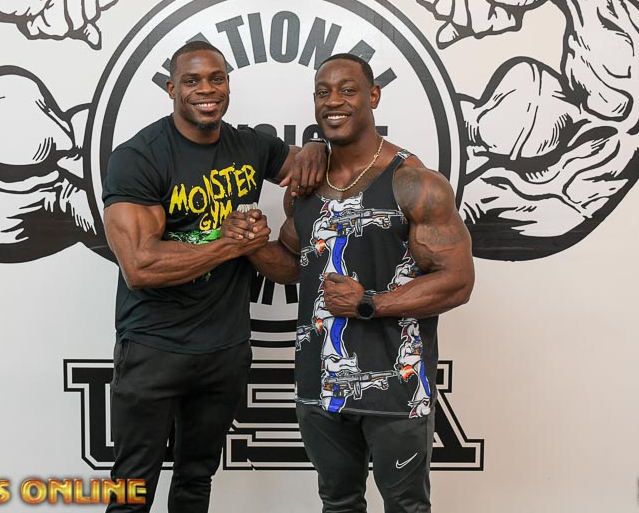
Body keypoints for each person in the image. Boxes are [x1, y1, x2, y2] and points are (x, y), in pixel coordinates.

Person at [225, 53, 475, 512]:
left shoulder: (414, 183)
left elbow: (458, 281)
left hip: (396, 386)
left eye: (347, 90)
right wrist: (251, 243)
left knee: (407, 506)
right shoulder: (306, 185)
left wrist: (369, 303)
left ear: (373, 96)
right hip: (320, 383)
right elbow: (292, 266)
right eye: (323, 92)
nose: (333, 101)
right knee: (338, 503)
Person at [101, 40, 325, 512]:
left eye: (216, 78)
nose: (206, 89)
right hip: (154, 347)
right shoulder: (139, 157)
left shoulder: (251, 146)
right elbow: (140, 265)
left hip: (224, 349)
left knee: (196, 480)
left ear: (227, 84)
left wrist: (316, 146)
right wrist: (229, 244)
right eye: (192, 80)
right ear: (171, 89)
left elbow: (313, 172)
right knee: (130, 490)